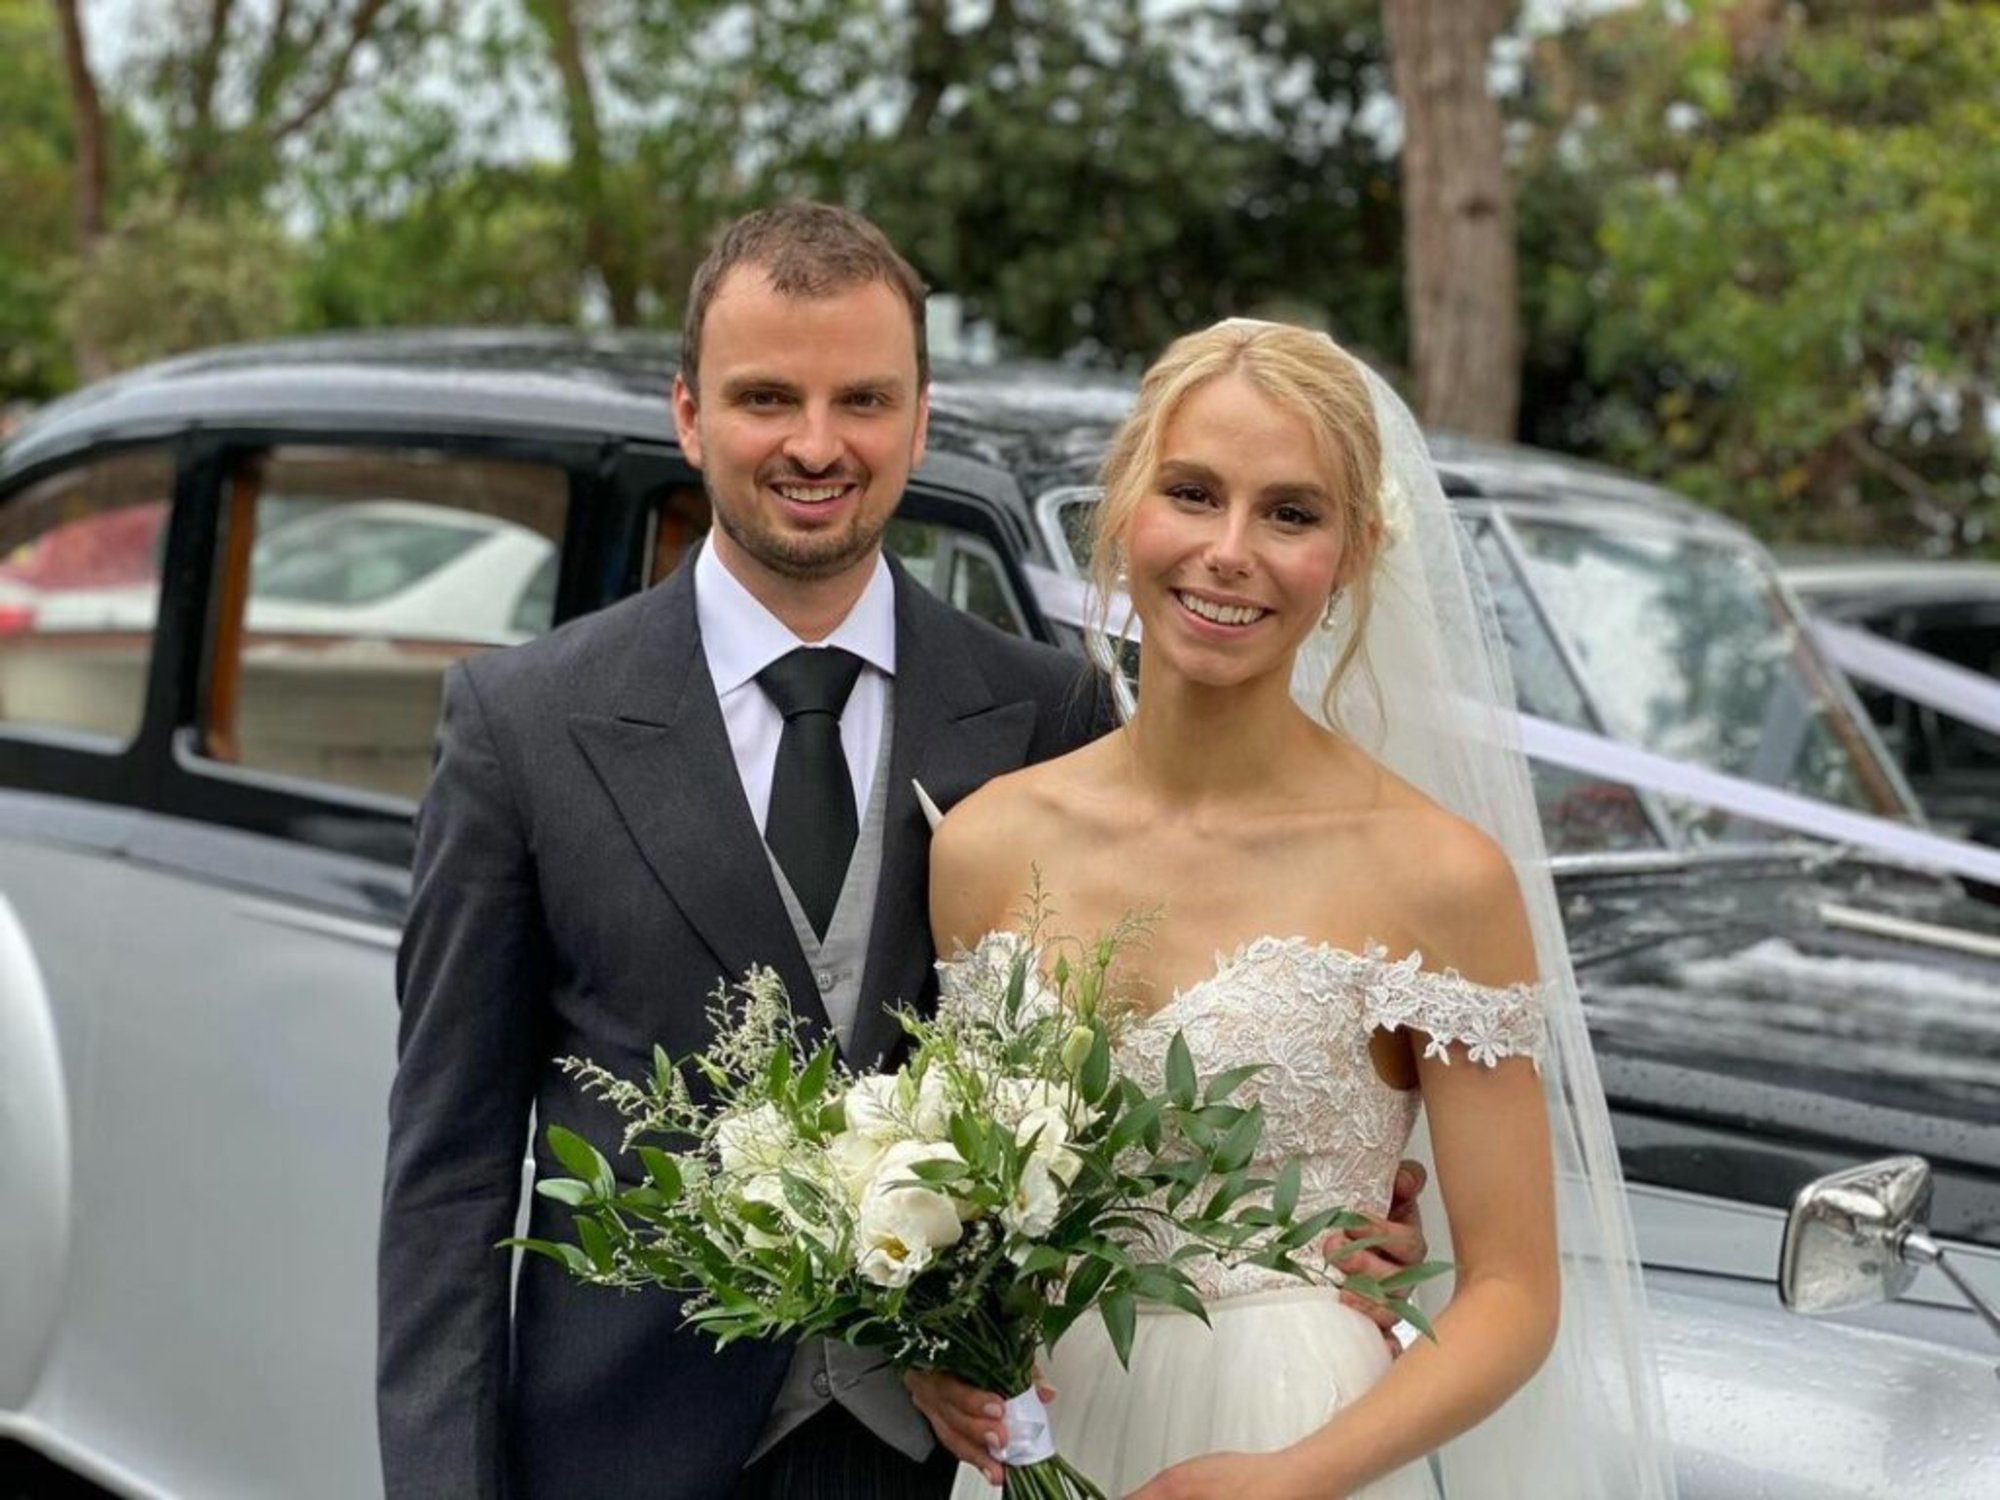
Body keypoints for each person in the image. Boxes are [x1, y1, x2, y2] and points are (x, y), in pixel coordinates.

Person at [376, 204, 1427, 1499]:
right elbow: (450, 1177)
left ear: (919, 418)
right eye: (767, 398)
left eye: (862, 400)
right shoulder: (522, 726)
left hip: (940, 1459)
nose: (817, 445)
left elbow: (1139, 1064)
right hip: (615, 1451)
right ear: (691, 416)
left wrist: (1317, 1235)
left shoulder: (1049, 715)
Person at [915, 320, 1678, 1498]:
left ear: (1354, 553)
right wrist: (931, 1353)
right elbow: (951, 1200)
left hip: (1294, 1439)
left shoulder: (1435, 876)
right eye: (1191, 492)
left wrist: (1296, 1476)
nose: (1229, 551)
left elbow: (1514, 1294)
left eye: (1289, 513)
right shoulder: (982, 845)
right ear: (1124, 507)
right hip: (1034, 1438)